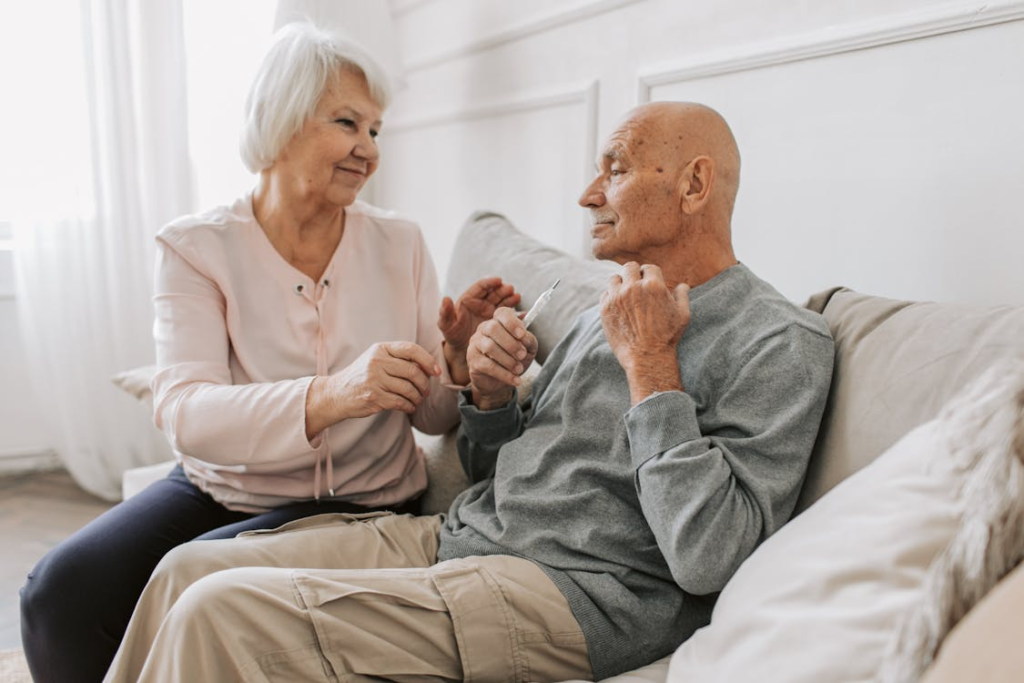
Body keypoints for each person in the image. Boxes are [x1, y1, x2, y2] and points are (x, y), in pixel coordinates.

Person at [102, 101, 835, 683]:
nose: (586, 195)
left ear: (694, 185)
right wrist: (489, 396)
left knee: (216, 613)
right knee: (183, 570)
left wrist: (651, 369)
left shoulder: (781, 341)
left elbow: (709, 557)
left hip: (574, 596)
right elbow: (502, 473)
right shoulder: (599, 310)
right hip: (460, 538)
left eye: (613, 169)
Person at [19, 22, 519, 683]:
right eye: (348, 122)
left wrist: (452, 364)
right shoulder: (197, 247)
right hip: (221, 485)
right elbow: (186, 409)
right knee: (58, 596)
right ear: (282, 120)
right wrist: (336, 393)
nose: (369, 149)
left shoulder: (400, 242)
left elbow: (429, 418)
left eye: (376, 130)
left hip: (361, 497)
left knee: (184, 591)